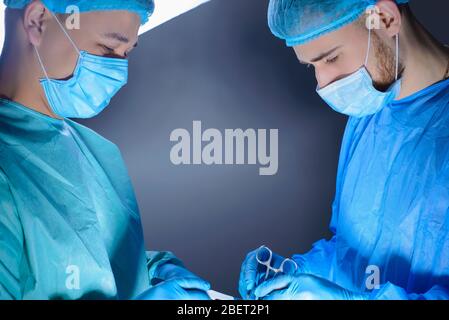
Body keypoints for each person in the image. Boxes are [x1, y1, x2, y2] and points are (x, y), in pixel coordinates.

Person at [0, 0, 210, 300]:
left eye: (126, 54)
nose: (119, 73)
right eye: (108, 50)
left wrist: (157, 272)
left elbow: (89, 261)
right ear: (37, 20)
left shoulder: (95, 150)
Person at [240, 0, 449, 300]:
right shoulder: (370, 114)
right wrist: (296, 273)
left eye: (331, 58)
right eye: (312, 66)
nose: (322, 83)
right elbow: (350, 250)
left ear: (384, 19)